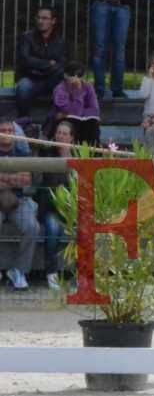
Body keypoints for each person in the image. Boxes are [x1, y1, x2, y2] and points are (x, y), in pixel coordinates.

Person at [0, 109, 39, 290]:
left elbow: (26, 180)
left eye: (10, 131)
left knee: (32, 227)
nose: (7, 134)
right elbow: (19, 178)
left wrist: (3, 179)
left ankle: (19, 271)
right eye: (4, 131)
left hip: (18, 200)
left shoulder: (21, 152)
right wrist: (13, 178)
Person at [37, 122, 76, 290]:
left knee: (85, 230)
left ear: (71, 138)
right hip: (52, 206)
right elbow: (51, 183)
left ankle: (81, 274)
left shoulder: (78, 156)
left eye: (65, 134)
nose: (60, 136)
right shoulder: (47, 154)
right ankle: (51, 272)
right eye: (59, 133)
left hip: (72, 208)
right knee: (53, 229)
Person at [15, 5, 68, 113]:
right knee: (24, 87)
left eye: (44, 18)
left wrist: (38, 65)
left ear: (53, 21)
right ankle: (24, 120)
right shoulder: (27, 37)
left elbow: (61, 64)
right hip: (30, 79)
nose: (40, 21)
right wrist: (48, 64)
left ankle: (56, 123)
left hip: (50, 80)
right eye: (38, 18)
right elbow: (24, 60)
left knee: (64, 82)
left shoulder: (60, 42)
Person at [51, 63, 101, 146]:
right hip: (65, 121)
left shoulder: (88, 87)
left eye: (80, 75)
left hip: (82, 119)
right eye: (72, 74)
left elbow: (94, 109)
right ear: (65, 75)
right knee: (74, 121)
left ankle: (91, 154)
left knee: (92, 122)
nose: (76, 78)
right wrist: (78, 89)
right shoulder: (60, 89)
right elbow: (74, 111)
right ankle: (74, 152)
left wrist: (81, 114)